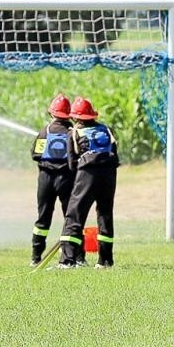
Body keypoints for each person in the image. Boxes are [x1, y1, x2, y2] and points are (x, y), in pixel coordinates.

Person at [58, 97, 119, 268]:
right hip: (109, 175)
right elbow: (115, 153)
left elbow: (71, 164)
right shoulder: (107, 130)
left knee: (74, 215)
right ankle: (105, 261)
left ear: (76, 118)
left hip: (87, 174)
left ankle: (68, 260)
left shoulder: (75, 133)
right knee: (105, 215)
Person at [29, 93, 76, 265]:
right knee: (70, 218)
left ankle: (35, 257)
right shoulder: (73, 132)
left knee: (43, 218)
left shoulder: (45, 131)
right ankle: (76, 257)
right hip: (66, 179)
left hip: (45, 180)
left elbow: (35, 154)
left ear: (52, 113)